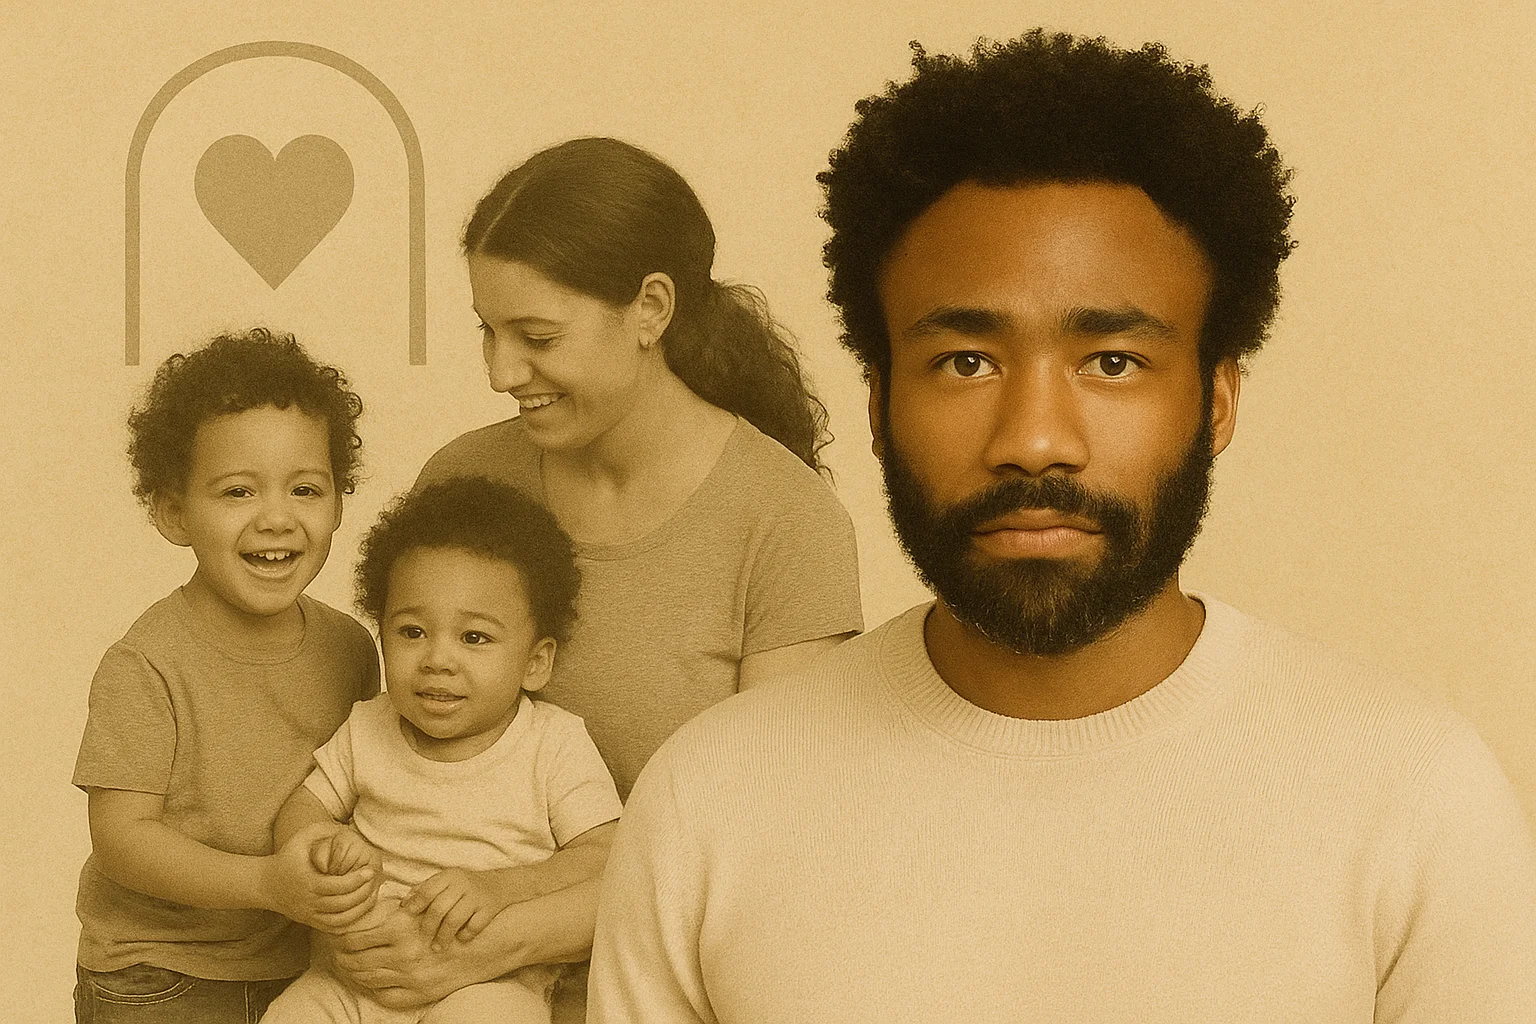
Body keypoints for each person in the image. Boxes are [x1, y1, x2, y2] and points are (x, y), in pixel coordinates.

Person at [588, 31, 1536, 1022]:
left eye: (1112, 361)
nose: (1035, 441)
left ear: (1216, 401)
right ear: (875, 406)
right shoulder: (712, 800)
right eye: (966, 361)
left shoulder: (1414, 795)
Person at [322, 137, 865, 1020]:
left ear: (651, 308)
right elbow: (405, 754)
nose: (501, 373)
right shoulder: (466, 480)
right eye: (487, 333)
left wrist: (498, 942)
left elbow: (764, 848)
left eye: (536, 337)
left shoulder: (784, 522)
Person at [72, 329, 382, 1023]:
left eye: (306, 488)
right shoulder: (146, 664)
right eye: (237, 491)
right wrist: (266, 883)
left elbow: (367, 788)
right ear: (174, 512)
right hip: (157, 976)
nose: (277, 518)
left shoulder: (351, 649)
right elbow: (122, 840)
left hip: (303, 970)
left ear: (338, 502)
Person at [261, 477, 622, 1024]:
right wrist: (322, 847)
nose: (437, 659)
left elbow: (605, 855)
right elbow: (302, 808)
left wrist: (499, 888)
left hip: (486, 985)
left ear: (535, 662)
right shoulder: (369, 726)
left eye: (473, 638)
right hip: (351, 978)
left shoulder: (553, 744)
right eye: (411, 631)